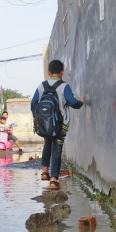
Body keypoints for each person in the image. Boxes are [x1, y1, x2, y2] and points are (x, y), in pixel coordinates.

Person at [31, 60, 84, 189]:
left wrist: (38, 119)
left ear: (49, 72)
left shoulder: (41, 86)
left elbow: (33, 103)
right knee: (57, 149)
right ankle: (54, 179)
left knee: (47, 144)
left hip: (45, 124)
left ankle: (44, 172)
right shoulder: (64, 86)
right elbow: (72, 103)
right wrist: (80, 101)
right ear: (62, 72)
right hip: (61, 125)